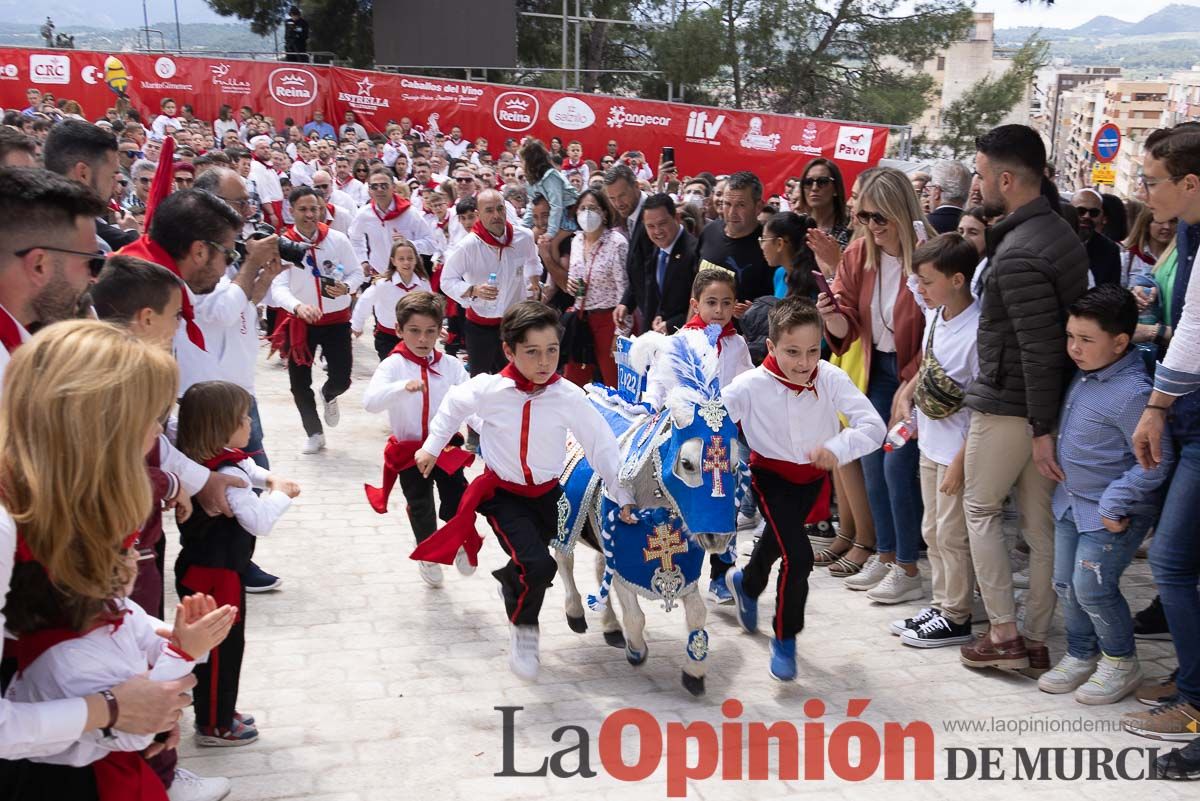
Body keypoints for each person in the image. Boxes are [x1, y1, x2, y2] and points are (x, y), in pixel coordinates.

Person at [0, 320, 226, 801]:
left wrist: (149, 639)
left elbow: (88, 602)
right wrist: (112, 709)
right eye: (149, 421)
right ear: (92, 426)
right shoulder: (4, 522)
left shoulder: (61, 496)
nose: (154, 441)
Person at [410, 302, 637, 680]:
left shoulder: (568, 395)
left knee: (532, 567)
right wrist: (433, 446)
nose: (544, 361)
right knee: (539, 565)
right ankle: (525, 631)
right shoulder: (489, 389)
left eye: (552, 350)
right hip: (502, 495)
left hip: (549, 497)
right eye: (532, 352)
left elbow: (601, 445)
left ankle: (512, 583)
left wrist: (622, 493)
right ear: (509, 351)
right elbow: (452, 404)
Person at [957, 124, 1088, 674]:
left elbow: (1038, 348)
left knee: (980, 509)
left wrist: (1040, 429)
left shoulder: (1019, 252)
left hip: (1016, 407)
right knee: (1038, 527)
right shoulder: (1057, 232)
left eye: (982, 174)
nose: (976, 184)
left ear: (1006, 179)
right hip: (1042, 406)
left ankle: (1007, 636)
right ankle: (1033, 639)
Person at [724, 298, 885, 680]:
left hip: (813, 479)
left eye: (813, 351)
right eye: (793, 352)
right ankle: (785, 636)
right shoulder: (747, 386)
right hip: (770, 477)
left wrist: (836, 448)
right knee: (799, 557)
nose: (804, 362)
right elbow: (710, 422)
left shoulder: (829, 377)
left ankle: (746, 584)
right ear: (772, 347)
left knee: (780, 542)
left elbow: (873, 427)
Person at [1034, 285, 1173, 704]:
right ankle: (1081, 653)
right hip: (1070, 503)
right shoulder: (1086, 372)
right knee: (1065, 584)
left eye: (1086, 340)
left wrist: (1116, 499)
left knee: (1092, 586)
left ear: (1120, 341)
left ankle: (1120, 661)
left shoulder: (1133, 392)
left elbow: (1157, 461)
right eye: (1071, 336)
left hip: (1112, 513)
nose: (1074, 348)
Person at [817, 167, 928, 600]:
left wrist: (917, 379)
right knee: (872, 464)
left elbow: (940, 323)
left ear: (901, 211)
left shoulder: (927, 253)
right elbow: (848, 325)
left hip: (913, 374)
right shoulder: (860, 254)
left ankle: (907, 565)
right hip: (874, 370)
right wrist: (831, 314)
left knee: (898, 467)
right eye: (864, 217)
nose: (871, 226)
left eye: (879, 217)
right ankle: (886, 556)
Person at [1125, 124, 1200, 746]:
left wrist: (1155, 405)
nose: (1142, 192)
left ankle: (1195, 702)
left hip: (1188, 411)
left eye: (1151, 181)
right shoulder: (1192, 231)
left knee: (1172, 561)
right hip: (1187, 412)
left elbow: (1194, 326)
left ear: (1190, 184)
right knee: (1181, 562)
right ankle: (1190, 685)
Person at [175, 381, 300, 747]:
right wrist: (280, 495)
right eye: (242, 417)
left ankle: (220, 710)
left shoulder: (215, 459)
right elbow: (258, 520)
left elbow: (249, 465)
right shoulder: (229, 481)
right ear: (220, 427)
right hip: (216, 575)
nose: (249, 422)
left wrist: (270, 477)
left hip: (207, 569)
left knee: (224, 646)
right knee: (219, 651)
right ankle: (214, 725)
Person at [890, 233, 982, 647]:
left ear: (959, 279)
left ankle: (957, 615)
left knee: (952, 533)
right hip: (930, 441)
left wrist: (963, 460)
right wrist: (908, 391)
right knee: (933, 529)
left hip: (957, 449)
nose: (920, 289)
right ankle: (943, 602)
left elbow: (983, 406)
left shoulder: (978, 330)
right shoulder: (936, 312)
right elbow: (928, 361)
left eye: (928, 281)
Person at [363, 292, 473, 587]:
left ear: (441, 332)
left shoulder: (450, 366)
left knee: (458, 498)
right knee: (420, 505)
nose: (423, 339)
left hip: (446, 446)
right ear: (399, 330)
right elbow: (370, 402)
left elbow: (470, 402)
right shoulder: (393, 366)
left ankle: (461, 540)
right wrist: (400, 387)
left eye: (430, 332)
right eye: (414, 331)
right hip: (409, 451)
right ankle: (428, 553)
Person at [270, 186, 362, 455]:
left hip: (337, 321)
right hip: (301, 324)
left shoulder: (337, 239)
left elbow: (356, 273)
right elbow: (278, 287)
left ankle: (330, 393)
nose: (310, 214)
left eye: (315, 209)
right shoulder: (283, 244)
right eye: (303, 209)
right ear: (292, 210)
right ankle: (314, 432)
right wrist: (298, 307)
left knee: (342, 378)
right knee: (299, 384)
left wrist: (346, 288)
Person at [440, 188, 541, 378]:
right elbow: (447, 281)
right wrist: (473, 290)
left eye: (500, 208)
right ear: (478, 215)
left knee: (513, 378)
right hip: (480, 324)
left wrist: (533, 279)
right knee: (481, 380)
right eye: (489, 210)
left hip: (513, 323)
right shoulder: (469, 245)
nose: (496, 215)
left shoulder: (523, 237)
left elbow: (533, 262)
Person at [563, 188, 627, 387]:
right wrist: (570, 285)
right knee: (572, 381)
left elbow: (624, 289)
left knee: (614, 381)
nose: (587, 213)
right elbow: (574, 279)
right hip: (581, 319)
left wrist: (621, 332)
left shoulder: (616, 243)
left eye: (593, 208)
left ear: (604, 212)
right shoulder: (576, 241)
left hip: (609, 320)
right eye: (582, 208)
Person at [42, 119, 139, 251]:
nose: (115, 184)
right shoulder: (92, 246)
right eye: (112, 175)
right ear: (83, 174)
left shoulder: (21, 219)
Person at [698, 171, 774, 307]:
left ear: (758, 207)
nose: (732, 212)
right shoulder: (710, 231)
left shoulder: (769, 246)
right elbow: (695, 287)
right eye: (727, 204)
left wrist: (752, 314)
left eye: (741, 205)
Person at [349, 168, 439, 277]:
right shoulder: (364, 214)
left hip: (408, 275)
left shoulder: (410, 213)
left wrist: (409, 244)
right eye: (374, 186)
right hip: (379, 275)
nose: (379, 190)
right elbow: (355, 238)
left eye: (384, 186)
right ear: (369, 190)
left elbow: (431, 244)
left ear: (393, 187)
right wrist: (363, 260)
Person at [351, 238, 432, 360]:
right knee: (393, 371)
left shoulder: (423, 284)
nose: (406, 263)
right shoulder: (383, 284)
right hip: (387, 337)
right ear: (393, 261)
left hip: (415, 338)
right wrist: (357, 325)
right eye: (401, 259)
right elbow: (365, 302)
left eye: (410, 258)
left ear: (416, 260)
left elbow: (431, 308)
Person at [605, 164, 654, 335]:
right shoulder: (632, 214)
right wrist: (626, 302)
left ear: (636, 186)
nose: (618, 203)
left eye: (622, 195)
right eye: (612, 198)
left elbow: (653, 276)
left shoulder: (653, 215)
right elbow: (638, 270)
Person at [641, 193, 699, 334]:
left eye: (662, 224)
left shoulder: (694, 252)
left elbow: (700, 303)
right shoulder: (656, 249)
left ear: (677, 218)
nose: (657, 231)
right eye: (650, 226)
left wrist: (672, 324)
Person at [521, 139, 579, 256]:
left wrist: (551, 233)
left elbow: (556, 205)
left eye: (524, 160)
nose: (522, 164)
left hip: (569, 215)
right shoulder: (531, 180)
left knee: (551, 244)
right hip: (551, 217)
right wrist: (523, 227)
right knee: (528, 238)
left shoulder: (551, 176)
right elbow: (532, 205)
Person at [793, 159, 852, 247]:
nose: (814, 188)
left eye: (823, 181)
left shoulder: (850, 230)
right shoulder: (795, 226)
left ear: (836, 189)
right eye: (808, 182)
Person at [1073, 189, 1122, 286]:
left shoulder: (1110, 250)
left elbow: (1111, 290)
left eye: (1093, 212)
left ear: (1102, 216)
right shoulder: (1053, 241)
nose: (1087, 216)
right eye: (1080, 211)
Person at [1121, 205, 1177, 286]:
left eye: (1172, 221)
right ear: (1146, 225)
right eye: (1160, 221)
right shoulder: (1128, 258)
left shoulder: (1179, 258)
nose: (1167, 227)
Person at [926, 160, 972, 234]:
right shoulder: (975, 227)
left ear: (937, 191)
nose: (928, 195)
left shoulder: (924, 226)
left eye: (931, 188)